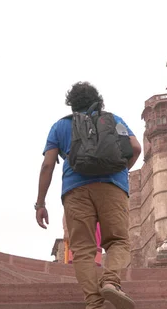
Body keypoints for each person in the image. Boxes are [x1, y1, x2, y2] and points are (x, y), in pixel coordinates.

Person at [35, 82, 141, 309]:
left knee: (83, 249)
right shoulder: (113, 120)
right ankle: (111, 281)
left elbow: (47, 165)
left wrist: (40, 203)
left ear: (71, 104)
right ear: (98, 100)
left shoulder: (60, 126)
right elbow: (136, 148)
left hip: (75, 190)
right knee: (118, 241)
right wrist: (122, 171)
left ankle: (94, 302)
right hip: (112, 187)